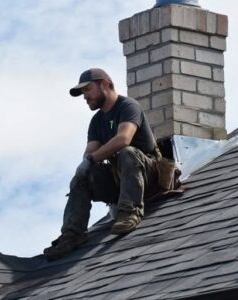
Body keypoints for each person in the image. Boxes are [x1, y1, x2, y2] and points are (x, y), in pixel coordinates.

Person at [43, 68, 162, 261]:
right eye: (83, 93)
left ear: (105, 84)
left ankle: (130, 212)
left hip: (147, 175)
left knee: (127, 153)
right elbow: (90, 153)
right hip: (121, 179)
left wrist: (91, 159)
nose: (85, 97)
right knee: (83, 175)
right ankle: (72, 234)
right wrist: (86, 165)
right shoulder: (97, 121)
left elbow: (124, 139)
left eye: (88, 89)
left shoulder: (127, 106)